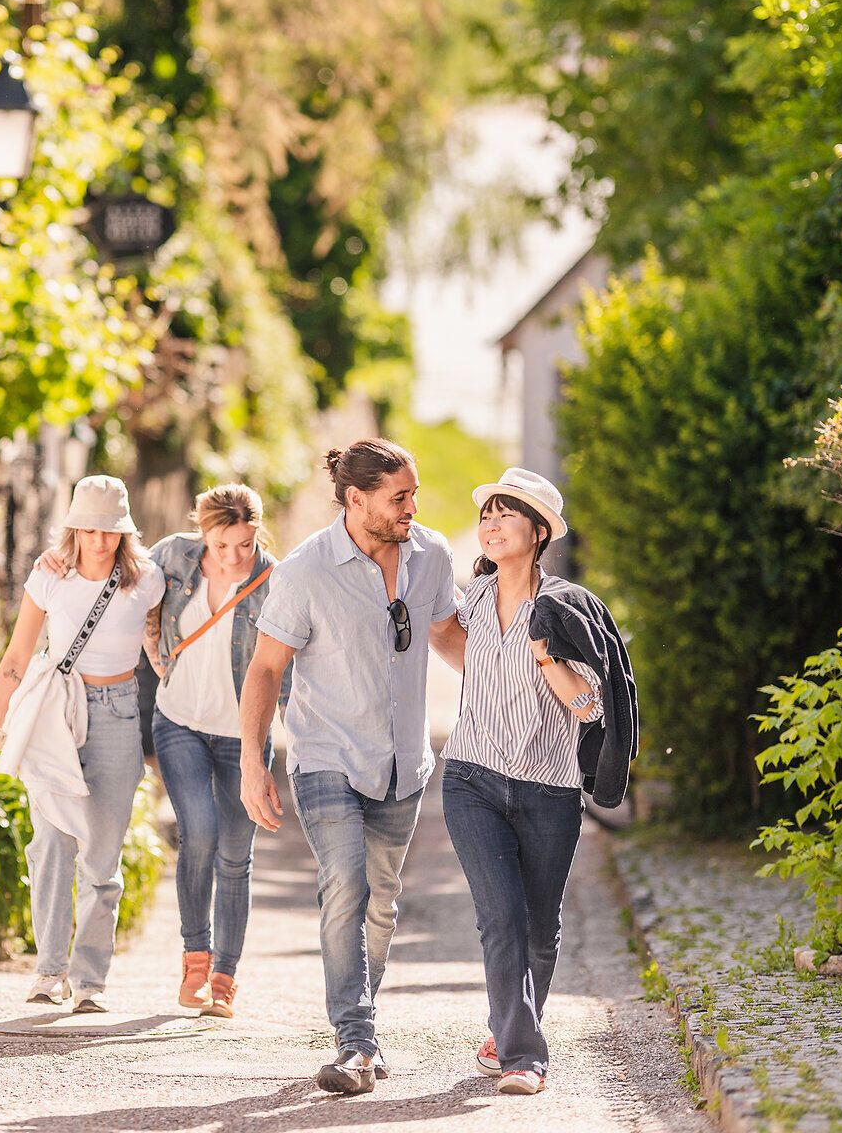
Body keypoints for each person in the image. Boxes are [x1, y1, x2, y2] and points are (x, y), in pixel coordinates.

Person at [237, 439, 465, 1095]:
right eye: (400, 497)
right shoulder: (306, 570)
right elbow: (266, 667)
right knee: (346, 886)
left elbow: (447, 635)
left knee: (382, 902)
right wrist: (253, 763)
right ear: (356, 499)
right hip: (326, 756)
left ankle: (359, 1029)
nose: (411, 508)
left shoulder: (431, 555)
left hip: (403, 761)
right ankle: (357, 1040)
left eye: (414, 495)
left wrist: (515, 685)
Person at [40, 483, 289, 1018]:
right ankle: (196, 959)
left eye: (245, 544)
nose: (234, 557)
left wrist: (291, 731)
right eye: (222, 545)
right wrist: (59, 558)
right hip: (179, 723)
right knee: (199, 833)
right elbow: (113, 570)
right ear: (203, 534)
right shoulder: (173, 557)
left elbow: (284, 664)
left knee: (236, 853)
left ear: (258, 534)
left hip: (243, 736)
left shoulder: (275, 581)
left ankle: (224, 976)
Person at [442, 468, 636, 1096]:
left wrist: (546, 655)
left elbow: (588, 707)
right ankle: (523, 1057)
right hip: (472, 778)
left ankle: (509, 1028)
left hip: (549, 788)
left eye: (507, 514)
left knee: (539, 929)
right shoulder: (472, 600)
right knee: (501, 916)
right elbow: (451, 646)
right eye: (487, 515)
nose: (492, 524)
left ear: (539, 532)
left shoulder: (566, 608)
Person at [0, 475, 166, 1013]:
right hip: (56, 714)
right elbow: (15, 659)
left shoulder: (147, 580)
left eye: (110, 531)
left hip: (119, 715)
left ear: (125, 532)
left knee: (102, 858)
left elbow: (160, 637)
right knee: (51, 845)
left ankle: (89, 982)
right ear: (74, 529)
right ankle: (49, 970)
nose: (100, 542)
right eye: (90, 530)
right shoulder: (49, 576)